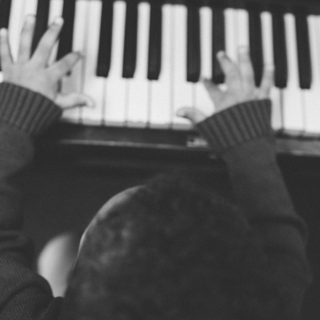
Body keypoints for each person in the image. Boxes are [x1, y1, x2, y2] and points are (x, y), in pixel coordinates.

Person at [0, 14, 311, 320]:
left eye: (101, 230)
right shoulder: (270, 303)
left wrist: (16, 115)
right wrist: (249, 146)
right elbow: (282, 247)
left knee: (57, 251)